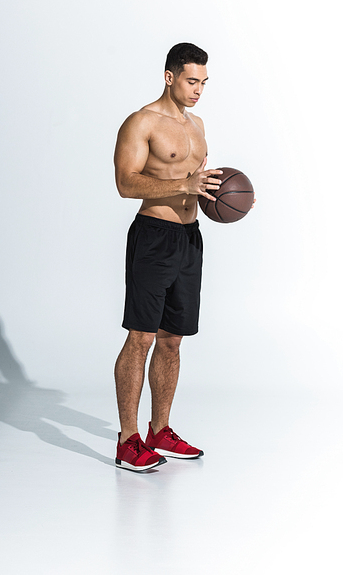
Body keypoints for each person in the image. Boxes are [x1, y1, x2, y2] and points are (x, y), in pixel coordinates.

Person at [113, 43, 222, 472]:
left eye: (204, 83)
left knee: (172, 339)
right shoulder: (142, 122)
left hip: (189, 238)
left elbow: (197, 182)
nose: (198, 90)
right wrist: (185, 188)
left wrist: (223, 195)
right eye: (192, 81)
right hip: (154, 236)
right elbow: (126, 183)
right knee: (141, 337)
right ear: (169, 76)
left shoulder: (196, 125)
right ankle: (127, 440)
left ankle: (160, 431)